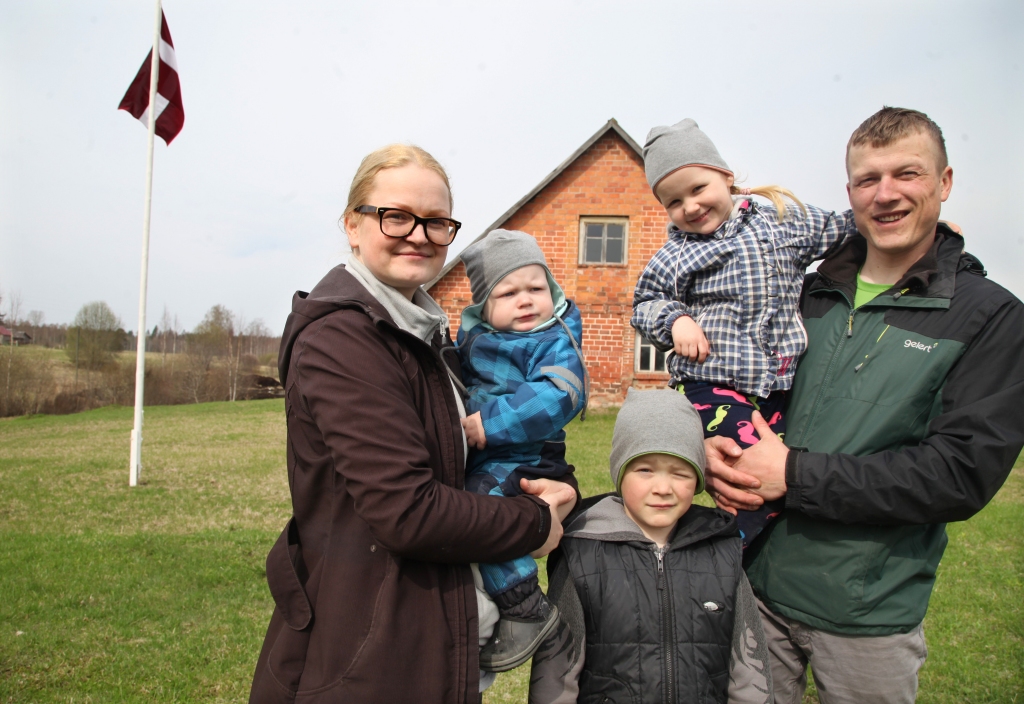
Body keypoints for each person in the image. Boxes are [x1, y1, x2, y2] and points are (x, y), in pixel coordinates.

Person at [704, 106, 1024, 704]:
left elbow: (960, 474)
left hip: (867, 611)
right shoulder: (802, 292)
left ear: (945, 182)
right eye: (867, 179)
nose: (886, 194)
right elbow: (738, 388)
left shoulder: (989, 315)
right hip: (754, 586)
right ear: (848, 191)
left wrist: (793, 474)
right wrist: (712, 442)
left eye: (908, 173)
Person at [248, 144, 577, 704]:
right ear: (353, 225)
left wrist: (553, 476)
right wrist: (532, 521)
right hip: (366, 652)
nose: (419, 235)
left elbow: (464, 460)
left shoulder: (423, 331)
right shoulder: (342, 340)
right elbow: (408, 511)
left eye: (436, 222)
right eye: (396, 216)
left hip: (428, 633)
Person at [632, 118, 857, 548]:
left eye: (698, 189)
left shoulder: (782, 222)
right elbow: (645, 303)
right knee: (747, 472)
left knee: (786, 469)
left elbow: (843, 226)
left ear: (727, 177)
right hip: (711, 383)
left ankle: (741, 547)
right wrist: (676, 321)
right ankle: (722, 554)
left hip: (778, 384)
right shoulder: (676, 253)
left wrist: (932, 234)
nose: (690, 207)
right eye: (674, 202)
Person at [528, 388, 773, 704]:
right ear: (620, 472)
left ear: (698, 479)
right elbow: (555, 674)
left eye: (680, 472)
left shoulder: (720, 551)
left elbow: (750, 671)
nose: (662, 488)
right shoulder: (582, 553)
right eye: (645, 470)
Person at [454, 229, 589, 672]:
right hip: (490, 455)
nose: (526, 300)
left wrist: (488, 423)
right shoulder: (474, 339)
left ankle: (525, 606)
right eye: (508, 293)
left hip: (528, 456)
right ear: (484, 309)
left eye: (536, 288)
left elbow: (559, 396)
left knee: (480, 511)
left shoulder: (554, 338)